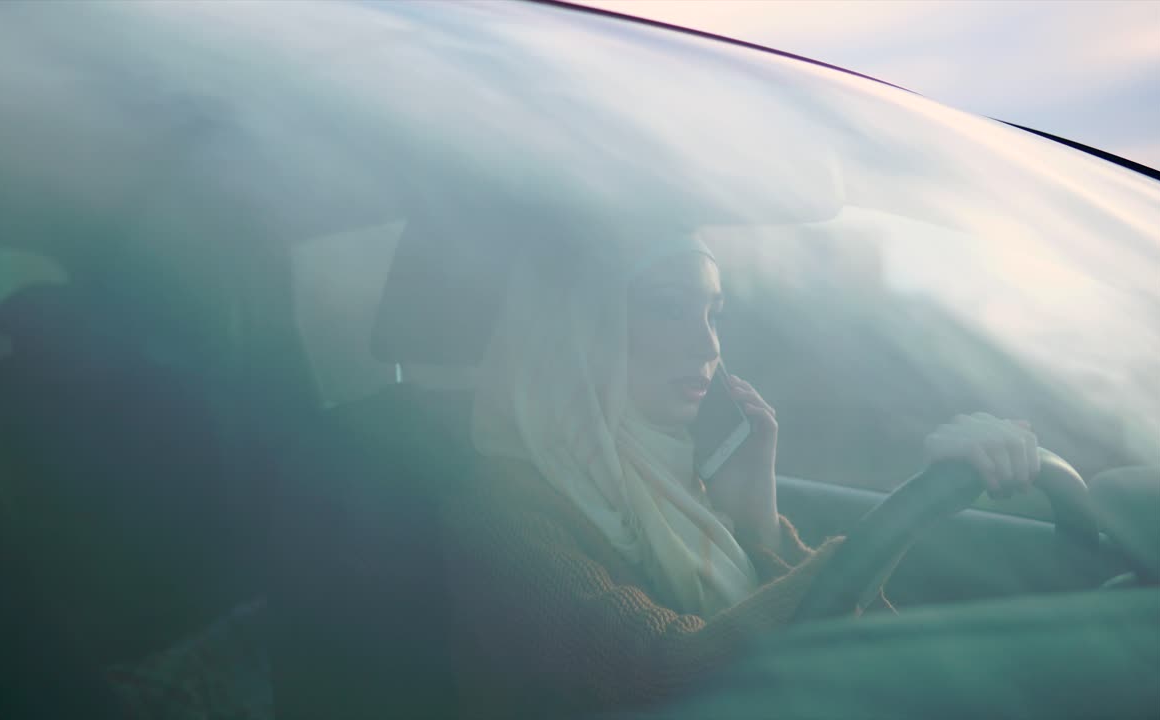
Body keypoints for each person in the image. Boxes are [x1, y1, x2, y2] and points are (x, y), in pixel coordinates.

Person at [441, 230, 1041, 718]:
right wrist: (887, 535)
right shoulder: (505, 510)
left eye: (714, 315)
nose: (708, 345)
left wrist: (761, 524)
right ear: (580, 328)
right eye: (668, 308)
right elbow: (666, 673)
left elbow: (869, 666)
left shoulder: (672, 484)